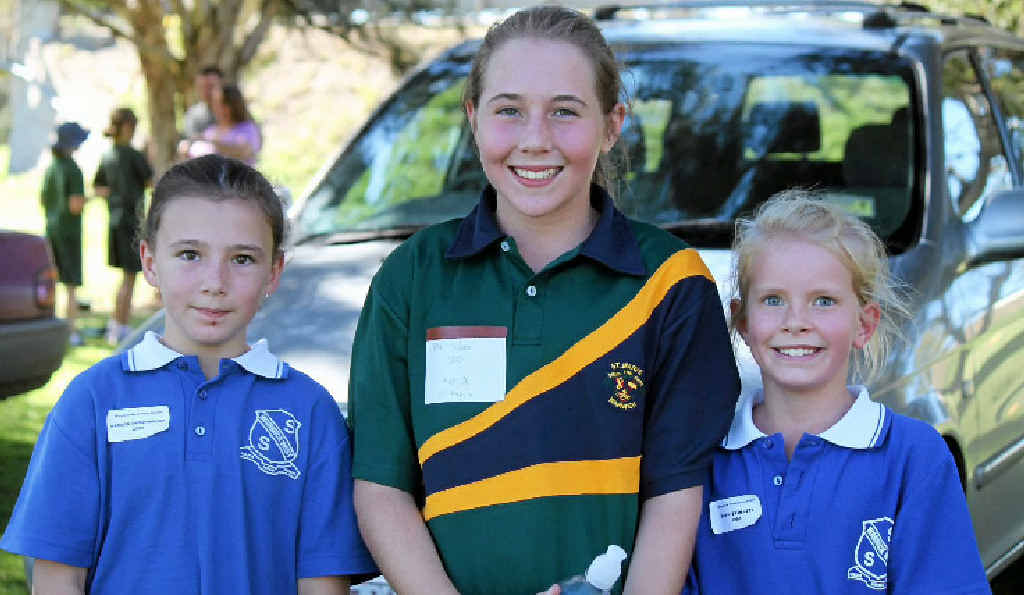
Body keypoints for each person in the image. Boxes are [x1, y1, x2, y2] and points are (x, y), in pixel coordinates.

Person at [347, 6, 740, 594]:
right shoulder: (411, 278)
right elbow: (381, 486)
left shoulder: (672, 283)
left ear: (612, 125)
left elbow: (676, 493)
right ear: (474, 119)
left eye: (565, 111)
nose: (535, 140)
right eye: (509, 111)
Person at [1, 154, 377, 594]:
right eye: (190, 254)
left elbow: (322, 582)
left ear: (274, 271)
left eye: (241, 259)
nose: (214, 282)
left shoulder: (310, 410)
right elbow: (56, 574)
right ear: (149, 261)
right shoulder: (94, 399)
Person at [684, 191, 990, 594]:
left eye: (823, 301)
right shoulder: (705, 455)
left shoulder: (914, 457)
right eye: (772, 300)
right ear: (742, 320)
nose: (796, 322)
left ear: (864, 325)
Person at [94, 107, 154, 345]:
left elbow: (99, 187)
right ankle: (121, 325)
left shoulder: (107, 155)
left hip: (114, 219)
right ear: (128, 127)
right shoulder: (131, 154)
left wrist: (114, 194)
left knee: (123, 277)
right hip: (131, 221)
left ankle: (115, 323)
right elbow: (151, 180)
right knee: (130, 277)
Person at [41, 121, 89, 347]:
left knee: (53, 282)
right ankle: (71, 332)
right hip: (69, 232)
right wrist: (93, 197)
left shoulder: (52, 167)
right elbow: (75, 205)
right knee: (71, 285)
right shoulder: (72, 169)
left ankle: (49, 327)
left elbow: (42, 199)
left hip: (51, 229)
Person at [182, 83, 262, 165]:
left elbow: (244, 152)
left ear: (233, 105)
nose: (217, 108)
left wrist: (211, 143)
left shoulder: (248, 128)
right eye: (215, 103)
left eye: (221, 103)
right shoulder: (211, 131)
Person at [182, 65, 223, 140]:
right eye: (201, 87)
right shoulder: (193, 114)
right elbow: (191, 141)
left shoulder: (236, 111)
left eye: (210, 87)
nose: (205, 92)